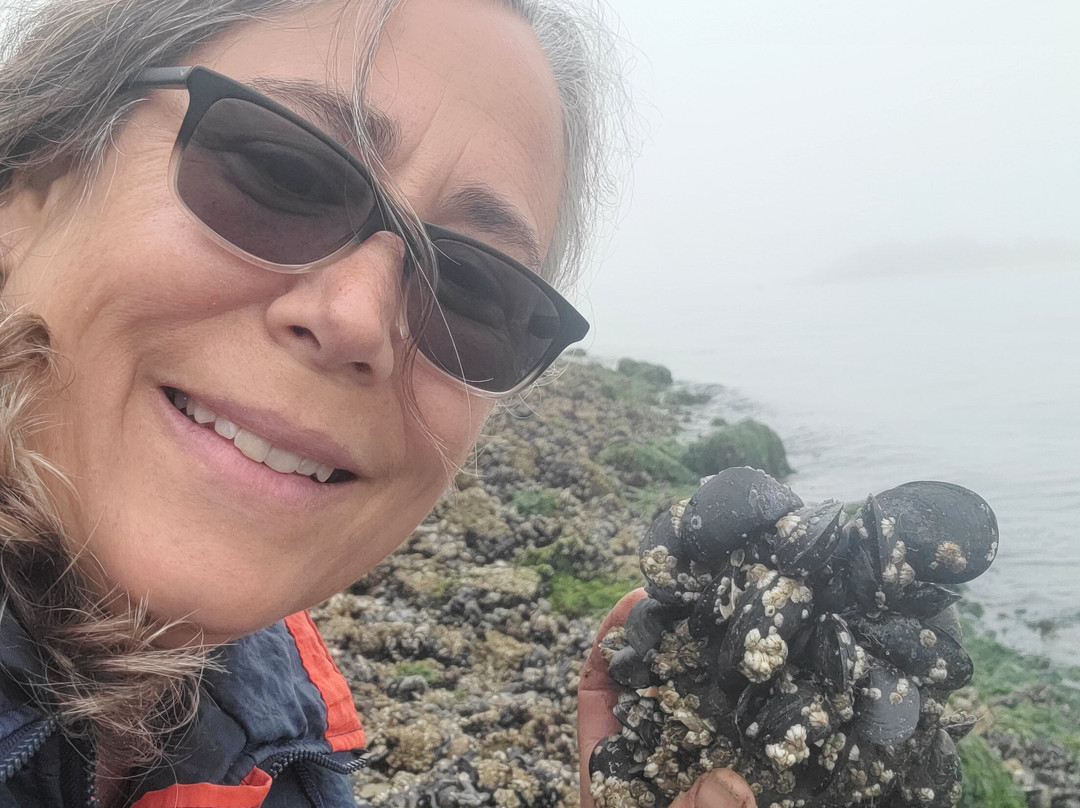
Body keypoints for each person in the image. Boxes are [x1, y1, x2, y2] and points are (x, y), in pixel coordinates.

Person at [0, 0, 755, 805]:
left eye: (470, 289)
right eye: (282, 175)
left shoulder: (289, 735)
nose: (359, 318)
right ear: (32, 183)